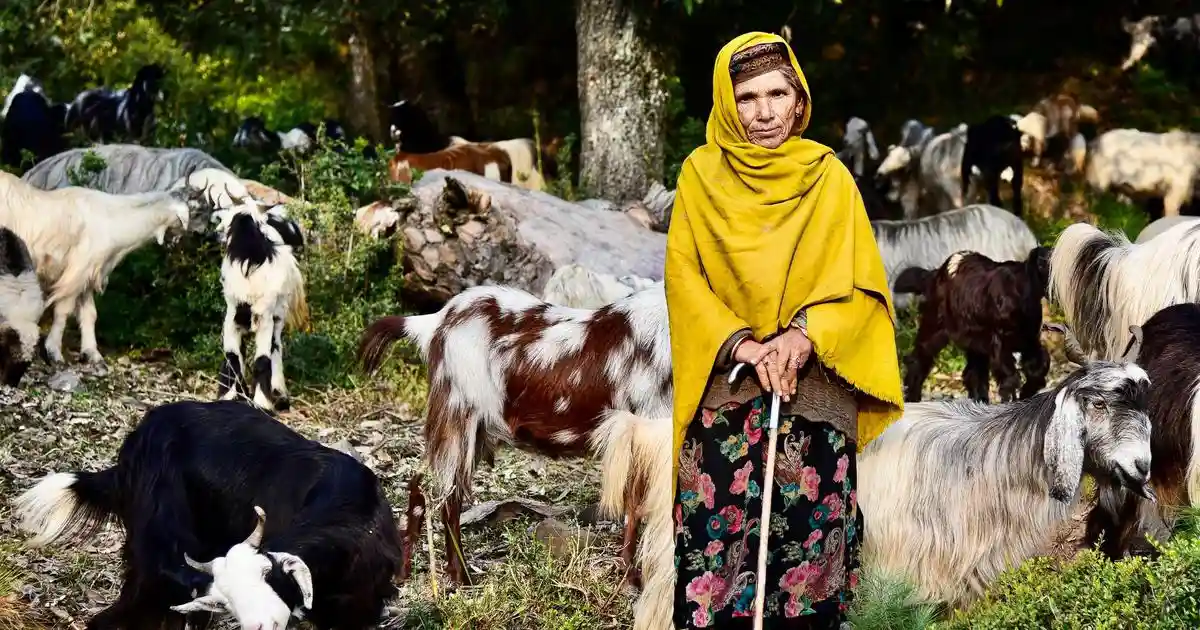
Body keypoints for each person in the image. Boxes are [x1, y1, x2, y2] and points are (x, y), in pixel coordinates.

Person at [666, 32, 905, 629]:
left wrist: (800, 337)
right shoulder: (699, 176)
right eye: (748, 97)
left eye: (779, 93)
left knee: (809, 565)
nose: (765, 112)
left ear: (800, 101)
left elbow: (860, 288)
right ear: (726, 103)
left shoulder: (828, 177)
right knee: (711, 562)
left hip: (813, 391)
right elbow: (683, 280)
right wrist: (744, 344)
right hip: (727, 391)